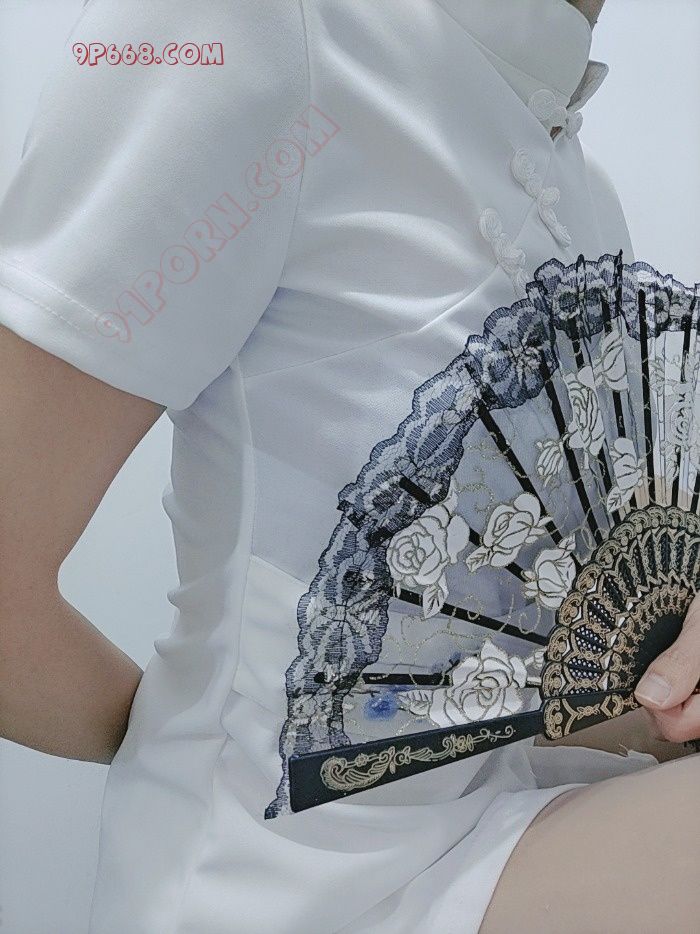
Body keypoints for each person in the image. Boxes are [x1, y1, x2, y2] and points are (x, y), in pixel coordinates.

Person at [0, 1, 697, 932]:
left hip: (525, 833)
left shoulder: (579, 186)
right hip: (291, 884)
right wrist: (217, 752)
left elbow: (520, 679)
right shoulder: (257, 25)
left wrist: (663, 696)